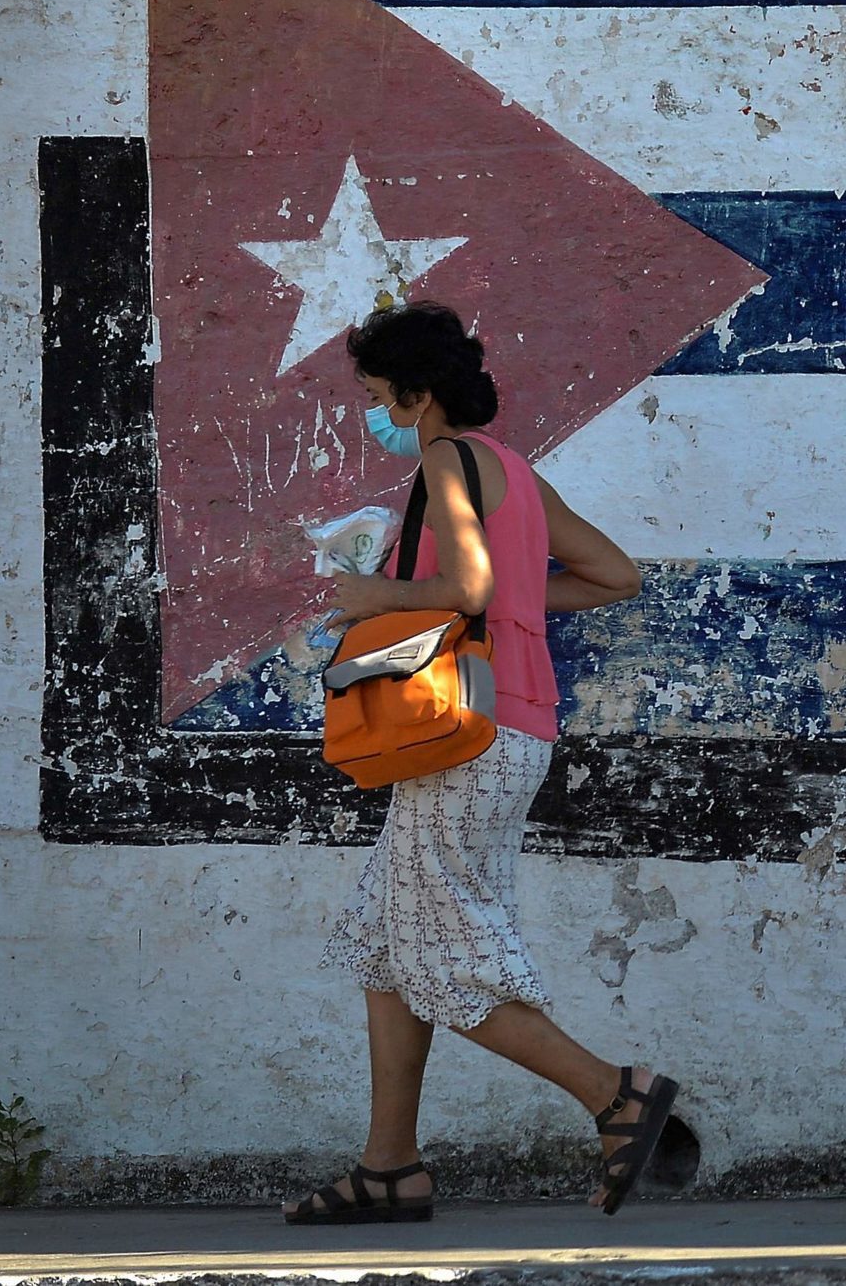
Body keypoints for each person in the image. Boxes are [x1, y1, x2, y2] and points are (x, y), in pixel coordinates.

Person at [286, 301, 693, 1223]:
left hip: (462, 731)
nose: (375, 412)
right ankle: (390, 1167)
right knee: (385, 941)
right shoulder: (513, 469)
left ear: (420, 395)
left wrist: (371, 594)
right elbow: (613, 573)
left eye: (379, 396)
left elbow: (463, 588)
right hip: (516, 730)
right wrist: (514, 600)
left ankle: (616, 1095)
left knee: (445, 960)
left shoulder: (442, 457)